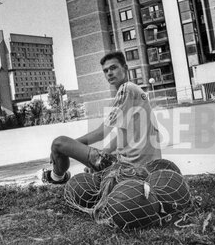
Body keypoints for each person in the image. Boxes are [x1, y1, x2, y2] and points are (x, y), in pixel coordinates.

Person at [41, 51, 162, 184]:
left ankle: (56, 177)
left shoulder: (126, 90)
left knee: (59, 143)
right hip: (146, 170)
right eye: (105, 70)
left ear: (125, 68)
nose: (109, 73)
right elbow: (125, 134)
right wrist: (105, 152)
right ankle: (61, 174)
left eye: (113, 68)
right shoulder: (135, 90)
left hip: (130, 170)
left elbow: (101, 133)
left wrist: (69, 147)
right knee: (91, 159)